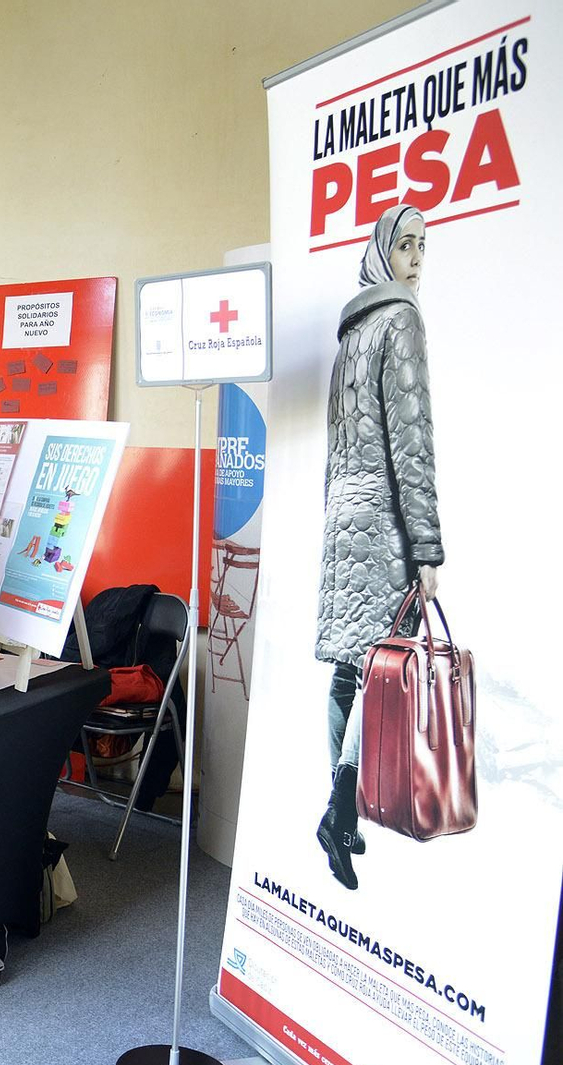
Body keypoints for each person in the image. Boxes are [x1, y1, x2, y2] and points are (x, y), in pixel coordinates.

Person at [314, 203, 443, 891]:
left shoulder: (351, 332)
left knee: (346, 669)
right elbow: (411, 444)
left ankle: (344, 813)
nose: (417, 260)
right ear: (383, 252)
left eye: (424, 247)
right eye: (407, 246)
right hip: (385, 526)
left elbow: (339, 451)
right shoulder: (401, 321)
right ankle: (342, 807)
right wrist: (426, 549)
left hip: (341, 521)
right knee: (378, 668)